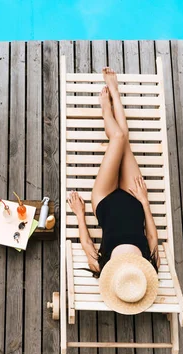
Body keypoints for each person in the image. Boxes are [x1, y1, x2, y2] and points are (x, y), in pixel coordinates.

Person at [67, 67, 160, 278]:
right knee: (124, 141)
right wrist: (144, 202)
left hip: (104, 199)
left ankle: (106, 110)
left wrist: (81, 215)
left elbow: (87, 244)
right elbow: (153, 238)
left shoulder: (103, 269)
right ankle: (115, 94)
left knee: (118, 137)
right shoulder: (148, 268)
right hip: (134, 198)